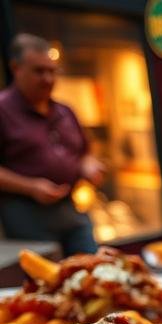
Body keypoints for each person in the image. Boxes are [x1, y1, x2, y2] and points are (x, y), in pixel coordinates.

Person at [0, 33, 105, 256]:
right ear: (16, 68)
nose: (48, 79)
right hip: (26, 214)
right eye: (39, 71)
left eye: (52, 71)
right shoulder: (3, 111)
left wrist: (88, 166)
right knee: (47, 274)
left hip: (70, 207)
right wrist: (31, 186)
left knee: (94, 267)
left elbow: (85, 152)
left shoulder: (65, 111)